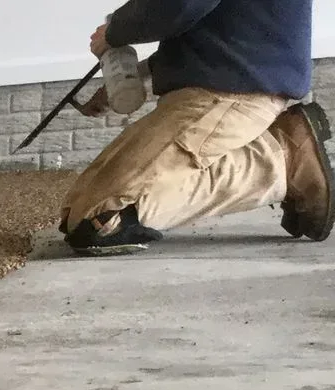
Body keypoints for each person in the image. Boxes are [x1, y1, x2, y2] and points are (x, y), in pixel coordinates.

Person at [60, 0, 332, 253]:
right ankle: (276, 153)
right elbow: (211, 23)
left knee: (98, 220)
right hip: (218, 85)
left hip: (228, 93)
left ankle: (285, 161)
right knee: (76, 207)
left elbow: (182, 4)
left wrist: (114, 32)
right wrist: (136, 73)